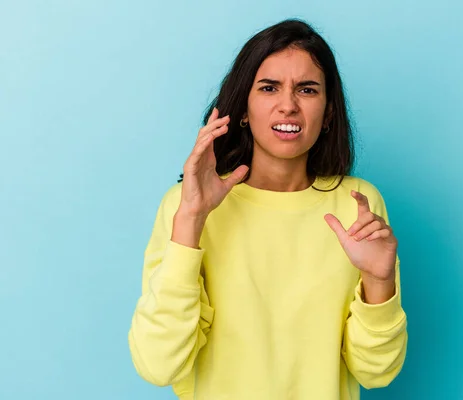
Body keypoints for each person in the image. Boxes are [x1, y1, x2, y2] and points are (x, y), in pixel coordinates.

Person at [128, 18, 408, 400]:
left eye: (307, 90)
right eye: (269, 88)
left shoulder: (357, 205)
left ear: (328, 113)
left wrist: (379, 283)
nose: (288, 106)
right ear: (244, 107)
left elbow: (375, 373)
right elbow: (158, 364)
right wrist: (191, 219)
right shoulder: (188, 206)